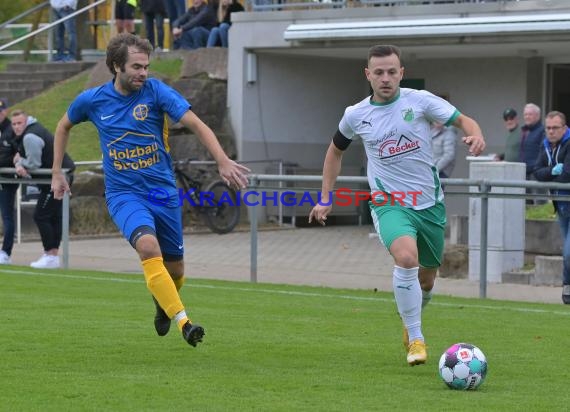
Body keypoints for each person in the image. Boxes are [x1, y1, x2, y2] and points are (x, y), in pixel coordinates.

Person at [50, 33, 250, 347]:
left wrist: (223, 161)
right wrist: (57, 172)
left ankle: (162, 304)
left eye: (146, 66)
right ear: (117, 66)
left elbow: (197, 124)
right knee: (147, 247)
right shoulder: (92, 100)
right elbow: (63, 126)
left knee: (176, 270)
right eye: (136, 66)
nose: (143, 72)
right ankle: (185, 322)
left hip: (162, 193)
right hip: (124, 195)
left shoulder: (157, 92)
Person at [308, 45, 486, 366]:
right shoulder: (356, 114)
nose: (386, 78)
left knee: (427, 280)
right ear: (368, 75)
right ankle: (416, 338)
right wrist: (325, 196)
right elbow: (335, 151)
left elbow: (465, 121)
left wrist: (475, 135)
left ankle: (411, 319)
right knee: (406, 258)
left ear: (401, 72)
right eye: (379, 72)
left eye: (392, 72)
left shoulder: (420, 101)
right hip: (388, 202)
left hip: (429, 204)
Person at [10, 110, 75, 269]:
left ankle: (50, 255)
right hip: (56, 178)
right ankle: (52, 255)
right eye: (14, 124)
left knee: (41, 215)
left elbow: (33, 164)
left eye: (20, 123)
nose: (17, 127)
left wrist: (19, 163)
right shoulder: (33, 130)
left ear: (26, 122)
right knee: (53, 216)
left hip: (57, 179)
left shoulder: (30, 136)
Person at [533, 111, 570, 304]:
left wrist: (552, 174)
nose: (551, 131)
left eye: (555, 128)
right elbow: (536, 172)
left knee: (568, 252)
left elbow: (568, 175)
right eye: (548, 128)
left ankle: (567, 286)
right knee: (567, 251)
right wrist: (554, 171)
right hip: (561, 205)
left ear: (564, 129)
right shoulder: (546, 145)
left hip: (567, 200)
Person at [0, 99, 17, 265]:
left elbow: (12, 155)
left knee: (7, 215)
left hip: (8, 179)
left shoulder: (11, 129)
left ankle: (6, 251)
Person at [520, 103, 546, 204]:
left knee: (539, 204)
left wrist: (536, 168)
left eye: (530, 114)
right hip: (524, 173)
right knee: (525, 205)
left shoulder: (542, 131)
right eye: (525, 114)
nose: (527, 117)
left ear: (537, 116)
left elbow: (544, 151)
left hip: (536, 174)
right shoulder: (526, 131)